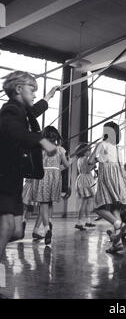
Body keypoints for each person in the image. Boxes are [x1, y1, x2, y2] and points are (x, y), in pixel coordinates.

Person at [0, 71, 58, 298]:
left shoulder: (21, 110)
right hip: (2, 174)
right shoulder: (10, 111)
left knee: (15, 232)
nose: (34, 94)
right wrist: (41, 140)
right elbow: (15, 130)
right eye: (31, 89)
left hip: (13, 176)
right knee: (5, 228)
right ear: (18, 90)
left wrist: (49, 97)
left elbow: (32, 112)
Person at [88, 121, 126, 253]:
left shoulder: (101, 144)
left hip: (107, 179)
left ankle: (117, 223)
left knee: (97, 207)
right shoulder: (117, 148)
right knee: (116, 210)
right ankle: (117, 243)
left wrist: (96, 158)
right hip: (119, 179)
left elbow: (90, 162)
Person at [32, 126, 72, 245]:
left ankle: (46, 229)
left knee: (43, 205)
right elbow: (66, 165)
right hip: (55, 178)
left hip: (43, 176)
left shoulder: (40, 149)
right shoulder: (60, 149)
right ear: (55, 137)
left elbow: (35, 164)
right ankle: (49, 221)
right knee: (49, 204)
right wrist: (71, 159)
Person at [74, 143, 96, 231]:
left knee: (87, 202)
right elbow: (87, 170)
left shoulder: (79, 159)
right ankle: (79, 222)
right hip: (86, 179)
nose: (90, 152)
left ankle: (88, 221)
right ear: (84, 152)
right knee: (85, 202)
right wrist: (94, 164)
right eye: (88, 150)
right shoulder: (86, 159)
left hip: (81, 178)